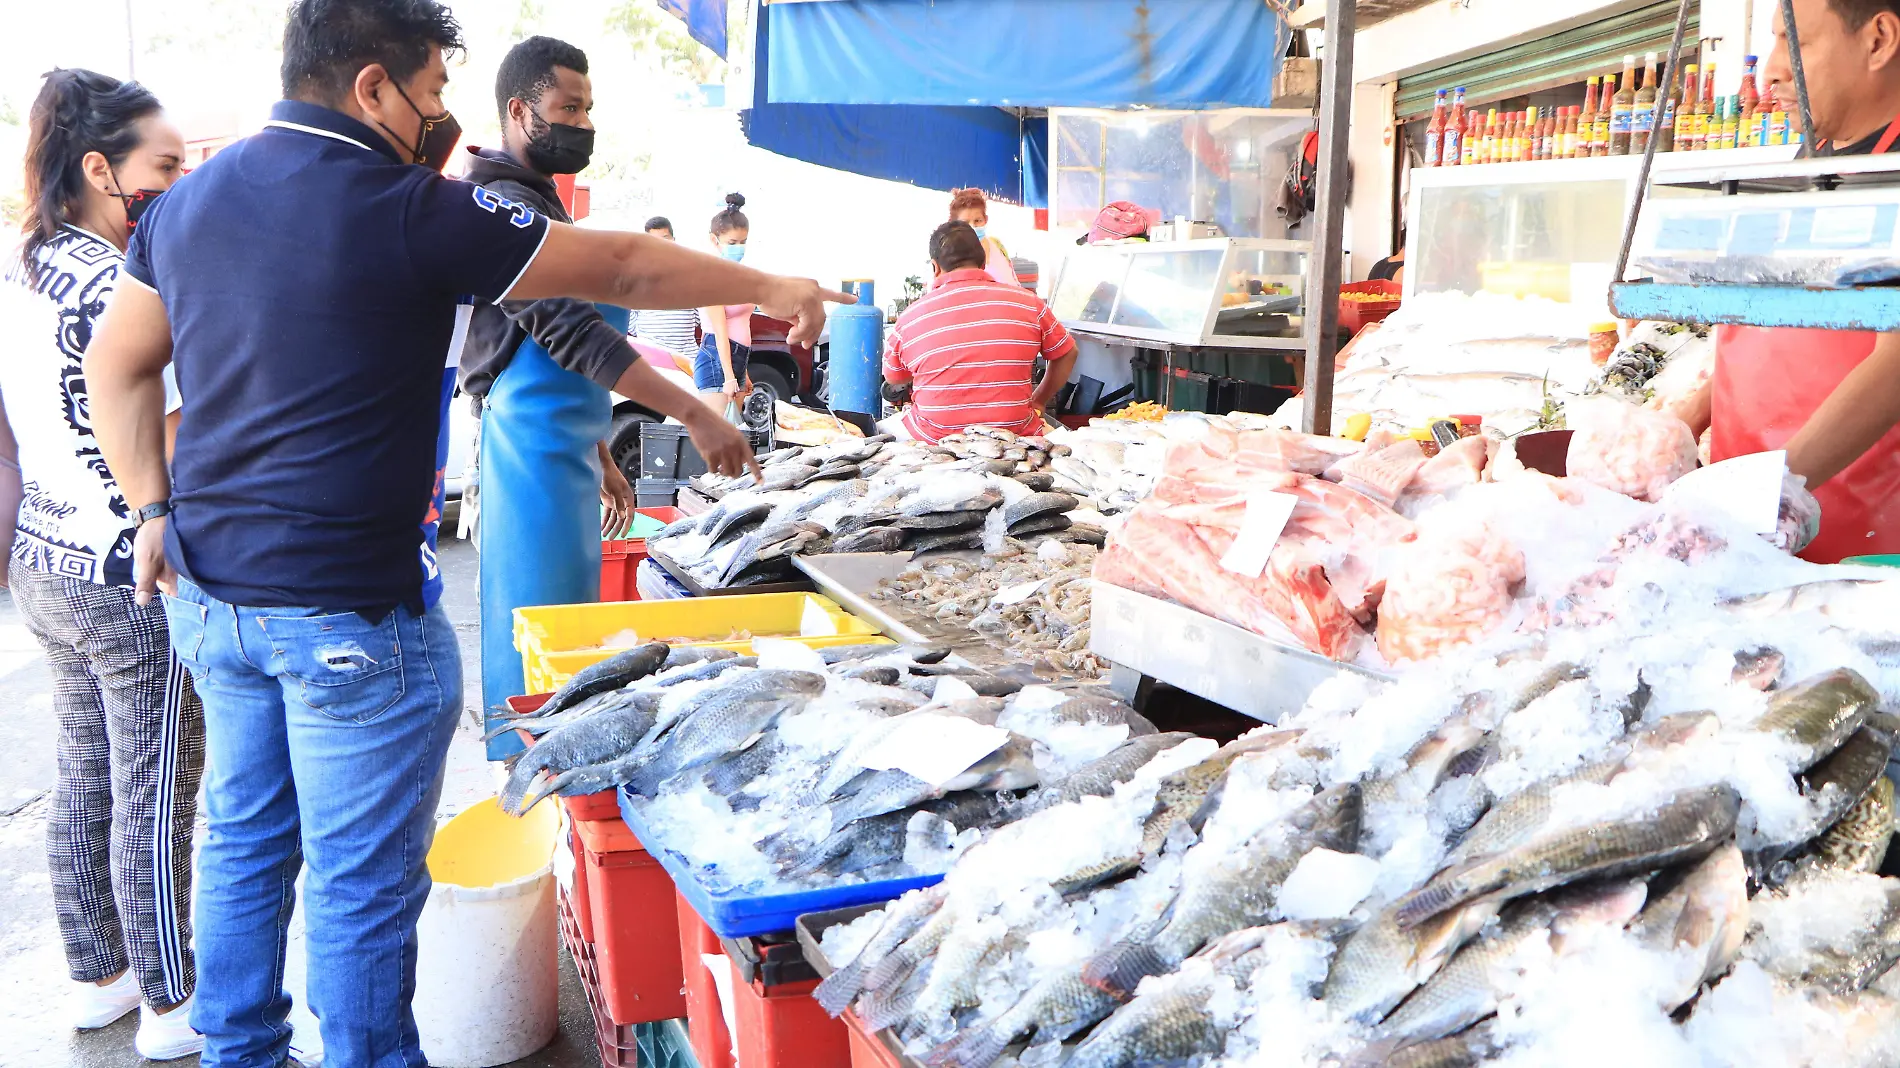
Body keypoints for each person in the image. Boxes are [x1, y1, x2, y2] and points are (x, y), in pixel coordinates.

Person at [82, 1, 849, 1064]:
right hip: (350, 617)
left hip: (218, 603)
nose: (439, 117)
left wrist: (151, 507)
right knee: (357, 887)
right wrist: (767, 284)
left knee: (244, 849)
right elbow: (618, 269)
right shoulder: (403, 205)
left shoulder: (188, 204)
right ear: (370, 87)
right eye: (434, 92)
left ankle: (239, 1051)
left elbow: (113, 367)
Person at [0, 69, 204, 1061]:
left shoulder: (18, 270)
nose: (181, 179)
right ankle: (174, 1003)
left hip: (42, 561)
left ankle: (100, 980)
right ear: (98, 168)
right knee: (154, 789)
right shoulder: (120, 287)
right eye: (164, 164)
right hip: (129, 570)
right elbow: (156, 437)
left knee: (84, 774)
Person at [459, 36, 724, 716]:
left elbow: (558, 350)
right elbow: (570, 333)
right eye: (567, 108)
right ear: (520, 112)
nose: (583, 124)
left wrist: (597, 447)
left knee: (566, 633)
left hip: (564, 452)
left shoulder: (543, 204)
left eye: (588, 108)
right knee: (528, 642)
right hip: (521, 454)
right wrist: (694, 411)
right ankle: (520, 780)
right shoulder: (496, 204)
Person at [1687, 0, 1900, 561]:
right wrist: (1691, 413)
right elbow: (1778, 327)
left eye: (1795, 42)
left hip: (1857, 535)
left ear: (1878, 40)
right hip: (1744, 506)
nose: (1771, 71)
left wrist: (1776, 490)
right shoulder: (1806, 162)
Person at [882, 221, 1077, 443]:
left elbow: (895, 377)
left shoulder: (910, 317)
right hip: (1014, 435)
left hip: (935, 438)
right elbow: (1067, 353)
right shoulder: (1028, 303)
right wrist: (1039, 399)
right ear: (983, 263)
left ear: (935, 268)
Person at [697, 194, 757, 414]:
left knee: (733, 434)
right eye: (732, 243)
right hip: (717, 359)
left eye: (743, 242)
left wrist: (743, 373)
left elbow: (742, 323)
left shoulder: (741, 275)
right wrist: (730, 376)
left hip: (737, 360)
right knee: (719, 439)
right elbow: (721, 330)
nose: (739, 248)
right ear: (715, 240)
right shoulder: (713, 277)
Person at [631, 216, 702, 360]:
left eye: (665, 238)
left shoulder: (689, 273)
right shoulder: (637, 276)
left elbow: (700, 313)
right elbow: (629, 315)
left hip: (688, 357)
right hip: (652, 358)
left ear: (673, 240)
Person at [949, 186, 1021, 287]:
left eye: (978, 221)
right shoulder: (948, 254)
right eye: (965, 223)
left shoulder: (997, 246)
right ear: (953, 224)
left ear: (985, 220)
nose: (972, 227)